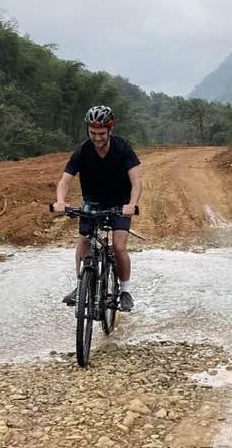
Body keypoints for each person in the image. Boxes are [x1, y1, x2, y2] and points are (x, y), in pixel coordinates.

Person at [52, 105, 141, 311]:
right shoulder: (82, 151)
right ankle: (80, 285)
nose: (97, 138)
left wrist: (132, 204)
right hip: (92, 202)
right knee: (84, 240)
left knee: (118, 247)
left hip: (120, 202)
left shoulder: (123, 149)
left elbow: (137, 181)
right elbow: (64, 181)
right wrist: (60, 201)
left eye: (101, 133)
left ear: (110, 130)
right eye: (93, 133)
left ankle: (125, 291)